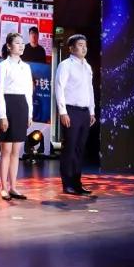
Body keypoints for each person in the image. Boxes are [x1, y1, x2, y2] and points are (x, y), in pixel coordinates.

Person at [56, 34, 96, 196]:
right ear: (71, 48)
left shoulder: (87, 67)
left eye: (85, 45)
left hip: (84, 112)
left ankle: (77, 183)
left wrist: (92, 111)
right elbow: (59, 88)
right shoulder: (65, 65)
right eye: (80, 45)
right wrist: (63, 112)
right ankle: (67, 184)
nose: (84, 48)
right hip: (71, 110)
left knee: (80, 149)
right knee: (70, 148)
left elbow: (90, 90)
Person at [0, 32, 33, 201]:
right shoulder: (3, 66)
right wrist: (3, 115)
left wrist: (29, 113)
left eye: (22, 43)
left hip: (21, 106)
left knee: (16, 150)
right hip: (8, 104)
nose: (21, 46)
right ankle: (3, 188)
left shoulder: (26, 67)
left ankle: (13, 187)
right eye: (17, 43)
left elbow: (29, 92)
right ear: (9, 46)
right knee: (6, 150)